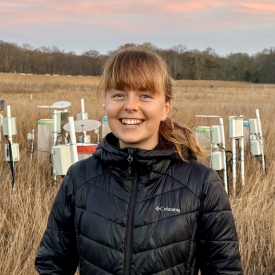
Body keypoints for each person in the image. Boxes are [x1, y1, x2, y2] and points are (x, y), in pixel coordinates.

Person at [35, 48, 243, 274]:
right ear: (106, 101)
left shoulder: (200, 183)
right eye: (118, 94)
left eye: (145, 95)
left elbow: (225, 270)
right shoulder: (79, 178)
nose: (130, 105)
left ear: (165, 107)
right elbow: (52, 265)